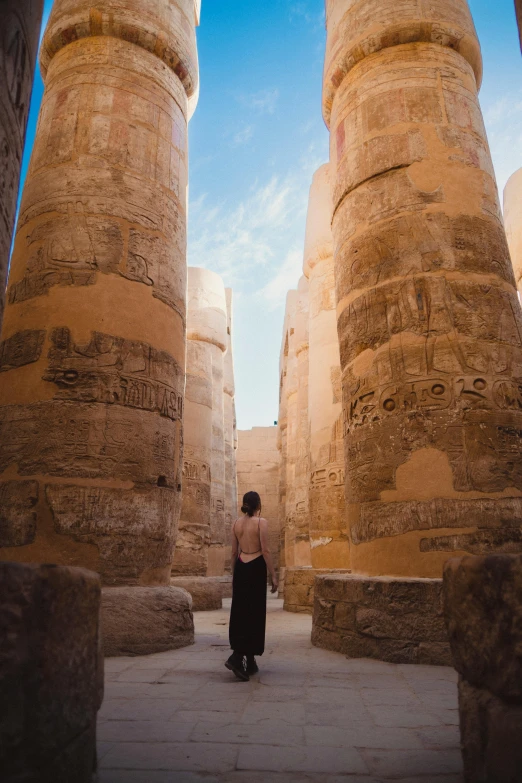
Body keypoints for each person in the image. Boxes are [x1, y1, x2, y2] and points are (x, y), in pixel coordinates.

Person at [225, 491, 278, 681]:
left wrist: (234, 574)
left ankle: (249, 660)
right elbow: (265, 550)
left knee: (240, 612)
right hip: (255, 567)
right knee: (254, 613)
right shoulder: (260, 522)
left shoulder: (236, 524)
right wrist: (273, 575)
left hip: (241, 566)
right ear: (258, 505)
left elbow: (233, 552)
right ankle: (238, 657)